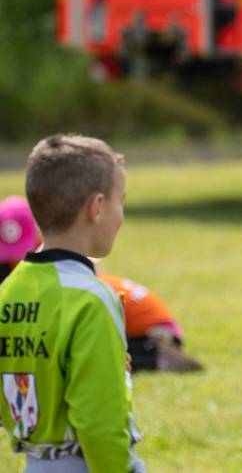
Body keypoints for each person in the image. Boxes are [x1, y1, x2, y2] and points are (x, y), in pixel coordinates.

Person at [0, 135, 145, 472]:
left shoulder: (7, 293)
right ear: (96, 208)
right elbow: (99, 424)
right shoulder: (92, 299)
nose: (121, 216)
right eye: (120, 202)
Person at [0, 195, 202, 374]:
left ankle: (156, 356)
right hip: (127, 324)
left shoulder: (67, 278)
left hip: (153, 331)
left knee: (90, 352)